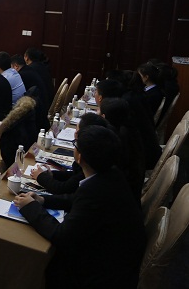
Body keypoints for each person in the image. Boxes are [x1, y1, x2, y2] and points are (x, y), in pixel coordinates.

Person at [13, 125, 146, 289]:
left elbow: (61, 236)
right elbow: (75, 199)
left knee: (43, 263)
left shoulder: (95, 189)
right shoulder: (111, 174)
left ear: (80, 157)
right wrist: (42, 200)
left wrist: (30, 208)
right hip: (118, 258)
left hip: (101, 273)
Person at [30, 113, 108, 195]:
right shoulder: (95, 161)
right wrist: (52, 174)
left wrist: (41, 177)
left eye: (75, 143)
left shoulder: (88, 167)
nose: (75, 134)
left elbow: (63, 189)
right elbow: (74, 176)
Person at [99, 98, 145, 201]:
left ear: (104, 117)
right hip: (130, 192)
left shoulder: (118, 141)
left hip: (120, 197)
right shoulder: (129, 131)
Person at [11, 54, 49, 130]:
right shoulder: (29, 69)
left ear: (16, 66)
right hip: (43, 105)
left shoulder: (22, 75)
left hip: (38, 112)